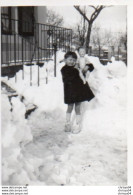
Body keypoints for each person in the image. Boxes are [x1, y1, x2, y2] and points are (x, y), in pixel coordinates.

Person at [61, 51, 95, 134]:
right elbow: (69, 77)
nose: (72, 61)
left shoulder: (76, 68)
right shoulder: (64, 69)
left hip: (77, 91)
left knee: (77, 107)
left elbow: (91, 67)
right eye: (70, 60)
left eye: (73, 60)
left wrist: (87, 67)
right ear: (65, 60)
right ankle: (67, 123)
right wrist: (77, 69)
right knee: (69, 107)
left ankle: (77, 124)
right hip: (69, 92)